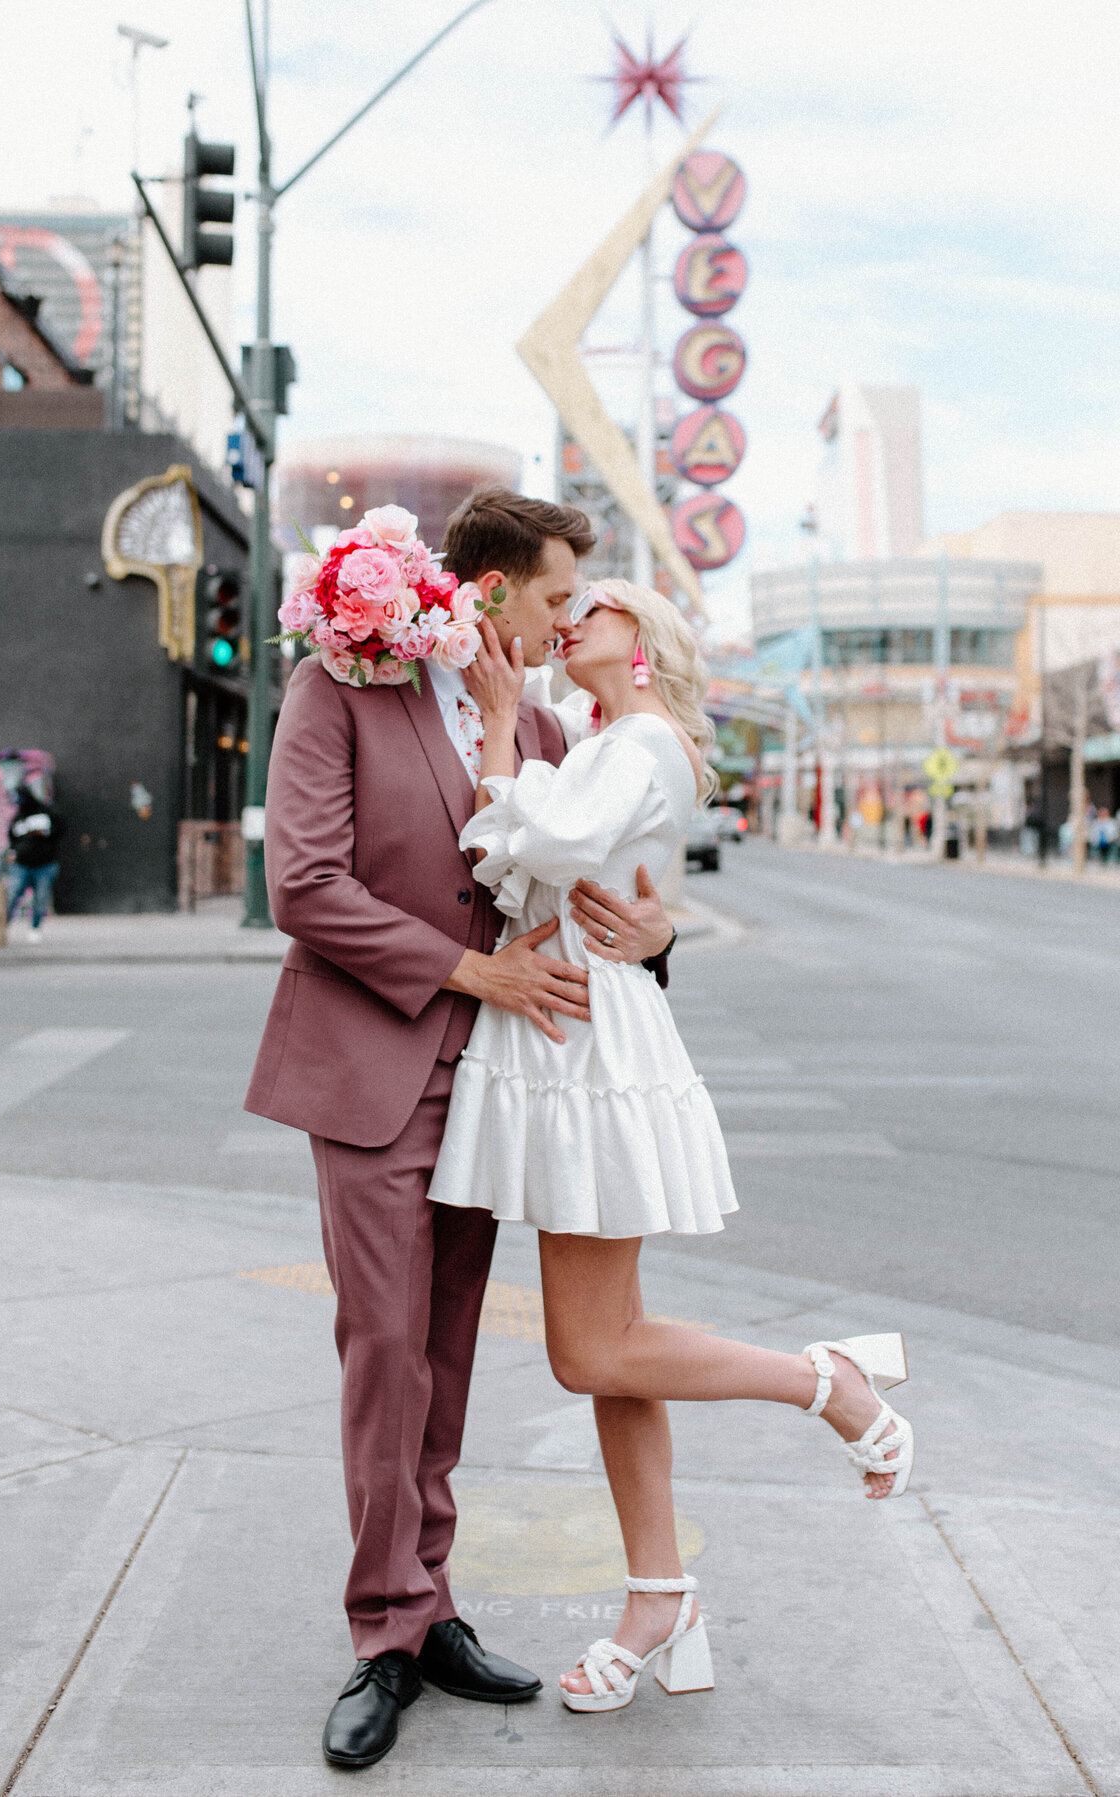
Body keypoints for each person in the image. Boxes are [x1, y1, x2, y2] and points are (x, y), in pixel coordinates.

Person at [244, 491, 678, 1770]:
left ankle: (429, 1607)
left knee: (444, 1353)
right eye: (552, 600)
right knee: (384, 1348)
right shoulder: (339, 687)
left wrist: (660, 938)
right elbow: (302, 886)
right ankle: (384, 1632)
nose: (564, 623)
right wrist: (466, 971)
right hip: (374, 1069)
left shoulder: (537, 724)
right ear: (483, 588)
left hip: (501, 1087)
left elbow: (590, 891)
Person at [429, 578, 915, 1714]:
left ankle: (826, 1382)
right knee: (615, 1342)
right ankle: (659, 1597)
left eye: (590, 609)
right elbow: (517, 866)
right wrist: (535, 810)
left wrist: (500, 738)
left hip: (589, 1040)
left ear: (638, 640)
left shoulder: (641, 741)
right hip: (562, 1028)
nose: (568, 622)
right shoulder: (609, 740)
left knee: (590, 1351)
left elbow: (543, 838)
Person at [6, 782, 63, 940]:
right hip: (22, 864)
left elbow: (59, 831)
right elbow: (12, 837)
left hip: (44, 864)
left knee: (41, 897)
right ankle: (2, 926)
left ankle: (35, 928)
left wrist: (45, 837)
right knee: (12, 895)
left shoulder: (46, 813)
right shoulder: (18, 819)